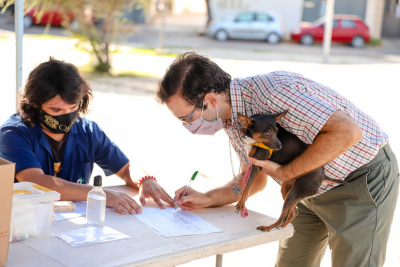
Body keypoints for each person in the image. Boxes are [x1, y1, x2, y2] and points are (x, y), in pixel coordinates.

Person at [156, 52, 399, 267]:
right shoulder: (233, 118)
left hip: (358, 180)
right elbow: (256, 177)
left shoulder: (273, 94)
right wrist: (208, 198)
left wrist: (284, 174)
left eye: (186, 118)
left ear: (209, 101)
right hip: (305, 188)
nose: (188, 126)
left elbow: (348, 132)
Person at [0, 57, 175, 215]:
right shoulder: (13, 134)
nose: (66, 116)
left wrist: (145, 180)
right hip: (24, 222)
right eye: (56, 110)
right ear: (35, 105)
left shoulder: (88, 131)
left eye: (72, 107)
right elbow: (37, 182)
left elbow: (126, 168)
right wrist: (100, 193)